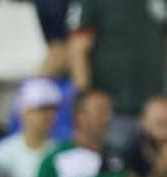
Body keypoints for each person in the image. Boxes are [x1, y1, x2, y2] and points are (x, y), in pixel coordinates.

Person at [67, 0, 167, 151]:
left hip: (153, 106)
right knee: (115, 162)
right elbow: (77, 48)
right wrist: (86, 99)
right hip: (112, 109)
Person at [0, 78, 62, 177]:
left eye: (52, 110)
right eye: (41, 110)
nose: (48, 116)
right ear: (23, 111)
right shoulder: (2, 152)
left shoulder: (60, 152)